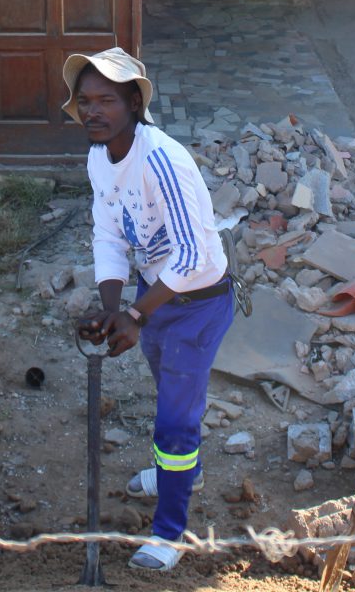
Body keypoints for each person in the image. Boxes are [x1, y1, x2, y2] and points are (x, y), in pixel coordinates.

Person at [66, 47, 233, 573]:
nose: (93, 111)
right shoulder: (100, 156)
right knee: (170, 397)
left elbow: (195, 255)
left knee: (175, 422)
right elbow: (109, 232)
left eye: (106, 100)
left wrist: (136, 316)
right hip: (155, 297)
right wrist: (113, 307)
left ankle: (170, 532)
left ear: (134, 103)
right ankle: (184, 473)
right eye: (84, 100)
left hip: (197, 304)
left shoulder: (160, 159)